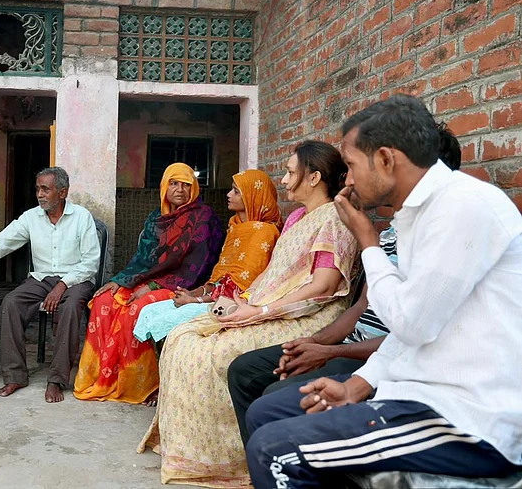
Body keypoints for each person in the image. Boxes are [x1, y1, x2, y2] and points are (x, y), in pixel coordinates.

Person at [244, 95, 522, 488]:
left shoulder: (463, 207)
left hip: (464, 418)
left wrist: (368, 242)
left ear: (387, 160)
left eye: (353, 165)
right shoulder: (418, 214)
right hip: (412, 393)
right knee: (265, 415)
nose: (349, 180)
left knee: (274, 451)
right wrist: (355, 386)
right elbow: (407, 334)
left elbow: (410, 324)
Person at [137, 141, 359, 488]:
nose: (283, 181)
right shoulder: (300, 218)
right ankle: (195, 448)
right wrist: (241, 301)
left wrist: (260, 310)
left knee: (208, 352)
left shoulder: (334, 219)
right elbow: (275, 275)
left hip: (308, 317)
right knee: (183, 336)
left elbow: (322, 287)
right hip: (271, 305)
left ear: (314, 177)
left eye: (289, 172)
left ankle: (234, 460)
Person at [227, 125, 462, 445]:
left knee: (270, 402)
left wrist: (330, 351)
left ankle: (282, 462)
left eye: (367, 166)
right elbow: (365, 305)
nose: (350, 179)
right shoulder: (394, 232)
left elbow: (412, 339)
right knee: (244, 370)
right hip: (355, 343)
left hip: (380, 358)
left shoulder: (446, 238)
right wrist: (311, 343)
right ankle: (264, 464)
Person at [74, 163, 224, 406]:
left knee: (135, 310)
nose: (180, 190)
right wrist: (119, 281)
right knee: (103, 301)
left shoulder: (203, 218)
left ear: (194, 188)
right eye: (174, 183)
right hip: (148, 279)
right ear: (164, 187)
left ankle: (144, 384)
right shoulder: (156, 218)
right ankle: (104, 377)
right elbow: (141, 260)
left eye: (186, 185)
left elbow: (197, 266)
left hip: (183, 285)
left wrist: (151, 287)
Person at [0, 167, 100, 404]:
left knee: (71, 308)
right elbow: (1, 244)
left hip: (76, 280)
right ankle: (15, 376)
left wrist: (63, 285)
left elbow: (90, 263)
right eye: (38, 189)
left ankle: (56, 380)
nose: (40, 194)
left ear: (62, 192)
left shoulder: (82, 218)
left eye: (46, 189)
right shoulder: (31, 217)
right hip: (41, 279)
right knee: (11, 303)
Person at [133, 169, 282, 344]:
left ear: (252, 196)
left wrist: (194, 300)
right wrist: (193, 293)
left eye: (236, 191)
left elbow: (239, 287)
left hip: (232, 304)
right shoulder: (235, 227)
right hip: (211, 296)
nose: (228, 194)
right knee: (148, 312)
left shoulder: (263, 232)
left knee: (164, 320)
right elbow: (220, 279)